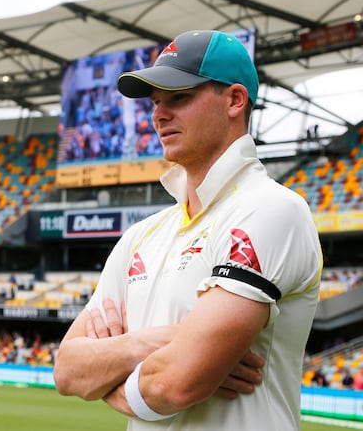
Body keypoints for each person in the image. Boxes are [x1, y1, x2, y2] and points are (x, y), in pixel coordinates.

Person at [54, 30, 322, 431]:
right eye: (156, 101)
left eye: (179, 97)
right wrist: (158, 344)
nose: (159, 114)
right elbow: (68, 371)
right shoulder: (141, 236)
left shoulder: (272, 208)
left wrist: (111, 369)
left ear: (234, 100)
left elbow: (174, 385)